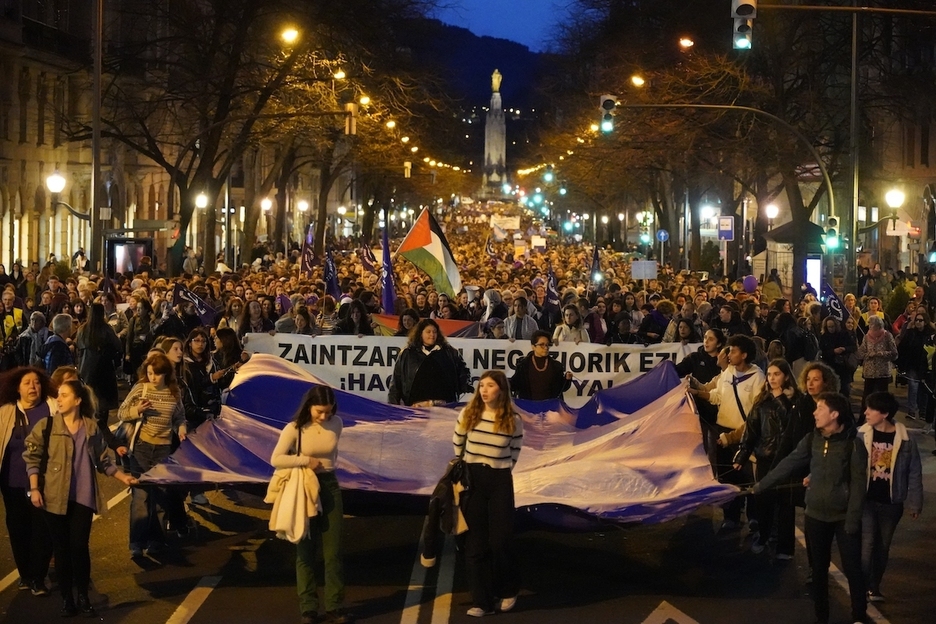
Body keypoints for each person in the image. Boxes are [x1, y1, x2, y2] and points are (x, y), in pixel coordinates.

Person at [24, 380, 137, 616]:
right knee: (61, 549)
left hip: (83, 498)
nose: (59, 399)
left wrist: (122, 477)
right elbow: (32, 458)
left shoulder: (91, 427)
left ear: (77, 400)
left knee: (79, 547)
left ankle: (83, 596)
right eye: (59, 395)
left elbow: (103, 461)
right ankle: (67, 599)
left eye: (64, 395)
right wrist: (34, 489)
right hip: (54, 497)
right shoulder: (47, 426)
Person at [753, 392, 868, 624]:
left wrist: (852, 520)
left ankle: (858, 615)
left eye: (820, 408)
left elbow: (858, 486)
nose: (815, 413)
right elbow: (788, 464)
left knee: (852, 568)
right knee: (818, 570)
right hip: (815, 515)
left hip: (843, 517)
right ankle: (821, 616)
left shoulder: (853, 445)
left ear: (834, 414)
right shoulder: (811, 439)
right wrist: (761, 485)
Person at [270, 385, 351, 624]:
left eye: (328, 411)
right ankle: (308, 608)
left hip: (329, 485)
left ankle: (335, 606)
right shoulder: (294, 428)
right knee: (305, 550)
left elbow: (332, 455)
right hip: (303, 487)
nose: (324, 416)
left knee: (333, 551)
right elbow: (276, 459)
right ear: (309, 406)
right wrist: (305, 460)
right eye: (319, 411)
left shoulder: (337, 423)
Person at [453, 370, 523, 617]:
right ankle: (481, 601)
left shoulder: (513, 419)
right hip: (473, 480)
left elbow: (515, 450)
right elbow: (458, 442)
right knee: (475, 543)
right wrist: (465, 468)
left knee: (501, 540)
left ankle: (507, 590)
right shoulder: (469, 413)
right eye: (481, 385)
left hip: (500, 480)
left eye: (490, 386)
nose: (484, 390)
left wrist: (501, 469)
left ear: (501, 390)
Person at [689, 335, 764, 530]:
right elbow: (717, 396)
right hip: (722, 432)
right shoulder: (728, 372)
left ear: (744, 355)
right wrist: (697, 393)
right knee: (728, 477)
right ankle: (731, 517)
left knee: (748, 477)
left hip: (745, 435)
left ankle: (754, 517)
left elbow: (756, 414)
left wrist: (738, 435)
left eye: (733, 351)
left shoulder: (758, 377)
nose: (728, 354)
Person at [118, 352, 187, 557]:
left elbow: (179, 417)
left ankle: (156, 540)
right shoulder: (141, 388)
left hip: (163, 449)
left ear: (165, 374)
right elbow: (122, 412)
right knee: (141, 496)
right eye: (149, 373)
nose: (153, 377)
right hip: (141, 447)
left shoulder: (174, 392)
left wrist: (181, 429)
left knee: (160, 497)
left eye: (157, 374)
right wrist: (137, 410)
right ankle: (136, 543)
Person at [857, 392, 923, 603]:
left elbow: (914, 471)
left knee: (883, 546)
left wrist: (915, 503)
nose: (866, 412)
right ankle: (861, 588)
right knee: (867, 545)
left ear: (884, 414)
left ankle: (874, 586)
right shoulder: (861, 435)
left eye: (871, 409)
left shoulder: (905, 440)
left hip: (892, 503)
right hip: (867, 501)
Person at [732, 359, 802, 557]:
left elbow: (793, 426)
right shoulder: (762, 401)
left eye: (777, 374)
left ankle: (785, 547)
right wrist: (742, 455)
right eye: (769, 374)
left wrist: (781, 399)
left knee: (786, 505)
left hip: (787, 460)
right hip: (765, 458)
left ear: (786, 376)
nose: (772, 378)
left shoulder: (796, 401)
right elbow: (751, 430)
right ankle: (763, 536)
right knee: (763, 500)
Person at [0, 367, 55, 596]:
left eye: (37, 382)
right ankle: (25, 574)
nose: (33, 387)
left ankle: (38, 578)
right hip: (12, 483)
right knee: (18, 530)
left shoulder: (52, 408)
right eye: (27, 383)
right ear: (17, 388)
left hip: (45, 482)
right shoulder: (6, 412)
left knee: (42, 531)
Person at [388, 318, 471, 406]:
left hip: (444, 408)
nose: (432, 335)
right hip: (416, 408)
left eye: (434, 332)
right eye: (428, 332)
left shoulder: (450, 353)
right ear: (420, 333)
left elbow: (463, 373)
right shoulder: (407, 354)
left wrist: (464, 386)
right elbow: (396, 383)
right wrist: (393, 407)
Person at [75, 303, 124, 442]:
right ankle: (104, 437)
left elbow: (78, 347)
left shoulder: (82, 329)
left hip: (86, 370)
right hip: (104, 370)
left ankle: (90, 433)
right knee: (103, 407)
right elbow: (118, 347)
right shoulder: (106, 329)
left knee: (89, 401)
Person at [510, 331, 573, 400]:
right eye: (542, 345)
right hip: (528, 405)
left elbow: (561, 388)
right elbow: (515, 384)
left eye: (547, 345)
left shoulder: (556, 366)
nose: (546, 348)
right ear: (533, 347)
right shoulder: (523, 365)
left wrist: (567, 379)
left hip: (550, 405)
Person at [857, 315, 898, 413]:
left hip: (882, 372)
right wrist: (868, 354)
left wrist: (882, 354)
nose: (870, 326)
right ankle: (863, 415)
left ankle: (882, 414)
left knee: (882, 397)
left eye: (872, 324)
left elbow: (894, 354)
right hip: (869, 372)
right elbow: (860, 353)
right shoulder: (867, 336)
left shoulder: (887, 336)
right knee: (867, 396)